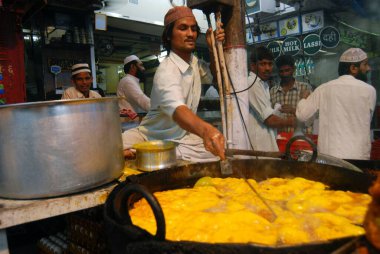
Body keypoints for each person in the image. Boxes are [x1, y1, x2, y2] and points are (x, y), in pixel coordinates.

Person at [121, 6, 225, 161]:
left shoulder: (195, 63)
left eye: (193, 29)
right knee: (110, 153)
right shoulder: (167, 70)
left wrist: (212, 49)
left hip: (182, 140)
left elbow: (216, 78)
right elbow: (178, 110)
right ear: (169, 35)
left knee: (216, 154)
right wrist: (206, 130)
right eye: (183, 28)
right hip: (148, 138)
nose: (190, 34)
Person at [296, 48, 376, 160]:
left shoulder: (323, 89)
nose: (368, 68)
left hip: (330, 157)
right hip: (359, 156)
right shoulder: (370, 91)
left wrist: (303, 99)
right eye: (365, 64)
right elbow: (366, 121)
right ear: (353, 68)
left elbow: (302, 116)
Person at [248, 47, 296, 152]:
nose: (267, 68)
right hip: (258, 146)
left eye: (270, 64)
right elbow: (269, 120)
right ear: (252, 65)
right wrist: (291, 122)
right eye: (263, 64)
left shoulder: (263, 84)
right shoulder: (252, 83)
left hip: (266, 143)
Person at [270, 55, 313, 134]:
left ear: (294, 69)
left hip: (299, 138)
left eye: (287, 70)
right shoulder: (272, 92)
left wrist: (293, 110)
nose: (284, 74)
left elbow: (311, 118)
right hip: (279, 139)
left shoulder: (305, 88)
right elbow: (270, 118)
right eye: (281, 71)